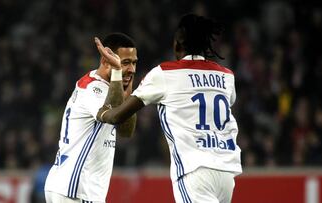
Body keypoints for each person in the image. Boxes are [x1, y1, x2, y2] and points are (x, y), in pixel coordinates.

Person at [95, 13, 242, 203]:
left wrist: (101, 113)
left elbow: (117, 117)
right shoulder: (227, 76)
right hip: (226, 172)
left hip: (194, 171)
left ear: (178, 42)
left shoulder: (164, 73)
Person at [44, 32, 138, 203]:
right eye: (125, 63)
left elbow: (126, 131)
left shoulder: (110, 89)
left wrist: (128, 91)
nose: (131, 69)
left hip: (74, 188)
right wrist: (118, 72)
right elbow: (114, 117)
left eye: (133, 63)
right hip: (76, 189)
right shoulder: (94, 88)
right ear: (105, 60)